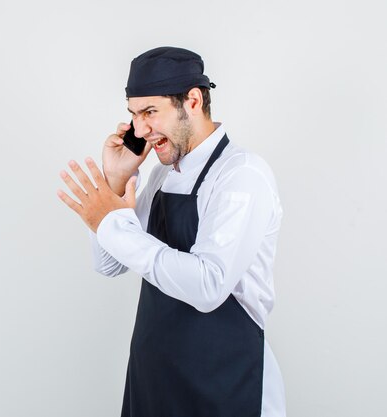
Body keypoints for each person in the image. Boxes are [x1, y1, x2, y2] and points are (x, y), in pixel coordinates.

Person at [57, 46, 285, 417]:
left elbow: (208, 285)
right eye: (134, 115)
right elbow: (110, 263)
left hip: (223, 383)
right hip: (155, 376)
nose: (141, 130)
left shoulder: (241, 175)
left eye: (150, 112)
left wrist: (110, 220)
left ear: (192, 101)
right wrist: (116, 180)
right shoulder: (165, 172)